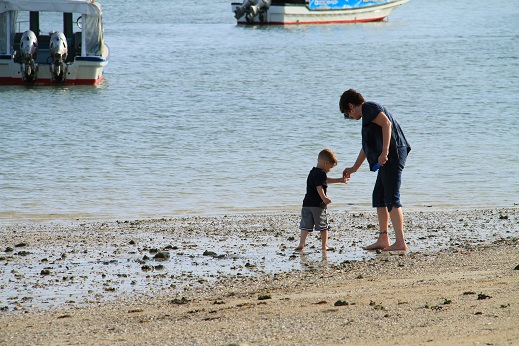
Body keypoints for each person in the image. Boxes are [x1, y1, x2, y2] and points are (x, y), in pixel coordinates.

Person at [339, 88, 411, 251]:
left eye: (347, 113)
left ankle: (400, 242)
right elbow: (367, 148)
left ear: (351, 106)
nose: (349, 117)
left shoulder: (369, 107)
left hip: (394, 154)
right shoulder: (367, 118)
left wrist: (385, 151)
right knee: (379, 196)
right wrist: (353, 168)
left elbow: (387, 123)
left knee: (391, 197)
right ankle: (383, 238)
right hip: (388, 156)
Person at [295, 149, 347, 252]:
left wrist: (340, 180)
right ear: (326, 163)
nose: (330, 170)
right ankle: (324, 245)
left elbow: (324, 181)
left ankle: (301, 243)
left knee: (305, 225)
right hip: (318, 205)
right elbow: (320, 186)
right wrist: (324, 198)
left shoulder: (313, 172)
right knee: (323, 226)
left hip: (306, 204)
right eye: (330, 167)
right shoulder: (322, 173)